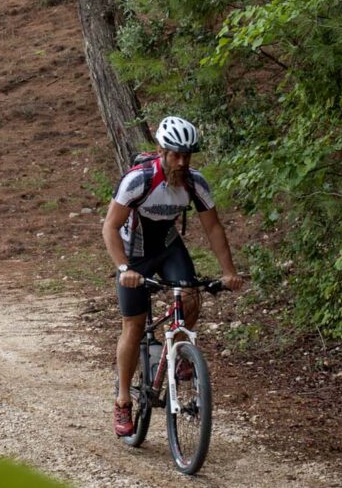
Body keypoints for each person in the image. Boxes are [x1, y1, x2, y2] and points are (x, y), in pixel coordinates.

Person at [101, 116, 244, 437]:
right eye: (176, 154)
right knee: (134, 326)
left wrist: (228, 272)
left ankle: (180, 353)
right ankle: (123, 400)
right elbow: (109, 227)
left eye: (188, 155)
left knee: (190, 295)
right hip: (133, 251)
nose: (182, 162)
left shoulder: (195, 182)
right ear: (161, 151)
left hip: (166, 246)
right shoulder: (138, 180)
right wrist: (124, 269)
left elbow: (213, 228)